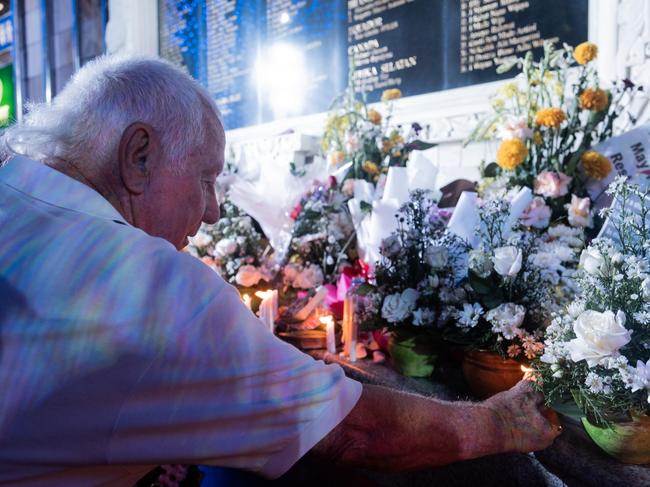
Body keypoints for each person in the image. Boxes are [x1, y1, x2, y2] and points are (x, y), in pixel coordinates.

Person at [0, 56, 560, 486]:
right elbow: (356, 434)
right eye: (206, 179)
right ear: (138, 155)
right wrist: (503, 424)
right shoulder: (147, 284)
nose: (215, 210)